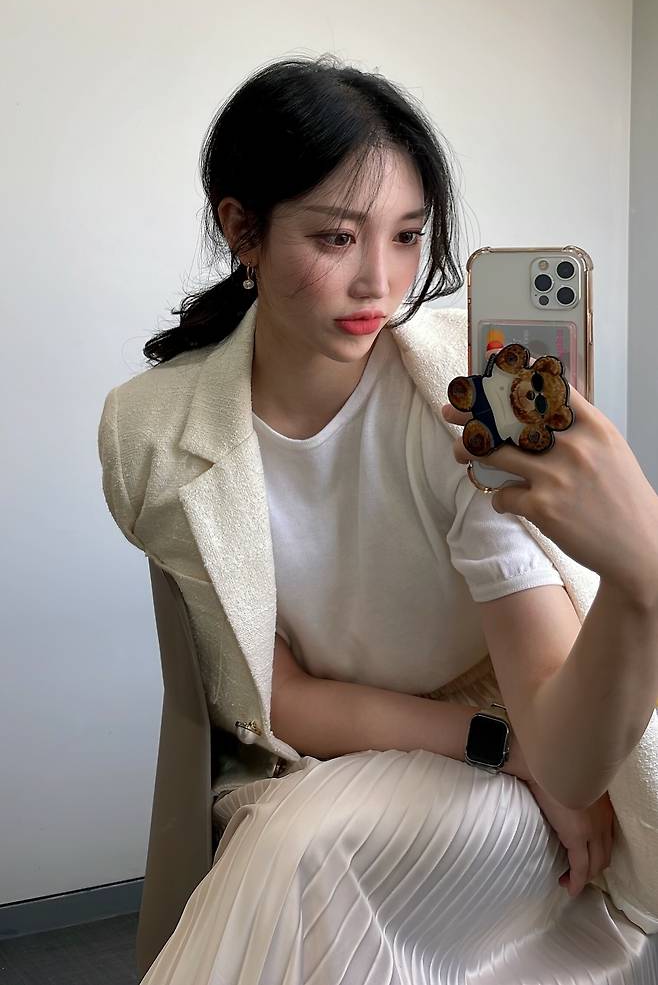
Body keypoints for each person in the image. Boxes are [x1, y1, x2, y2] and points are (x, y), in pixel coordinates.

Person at [99, 56, 658, 984]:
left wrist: (643, 572)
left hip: (513, 770)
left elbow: (563, 746)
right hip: (346, 757)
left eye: (406, 237)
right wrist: (502, 750)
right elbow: (275, 696)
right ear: (242, 228)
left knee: (303, 850)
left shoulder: (458, 403)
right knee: (298, 843)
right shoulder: (154, 431)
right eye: (337, 237)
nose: (379, 280)